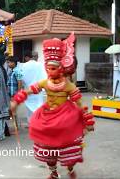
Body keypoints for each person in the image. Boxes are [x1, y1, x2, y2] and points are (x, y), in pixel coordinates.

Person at [11, 33, 95, 179]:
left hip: (66, 119)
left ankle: (70, 168)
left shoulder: (69, 86)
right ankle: (53, 172)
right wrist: (16, 101)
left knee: (67, 148)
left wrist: (87, 122)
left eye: (53, 68)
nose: (50, 71)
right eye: (48, 68)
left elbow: (80, 104)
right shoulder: (45, 83)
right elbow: (29, 90)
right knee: (48, 147)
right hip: (48, 118)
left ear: (61, 69)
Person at [20, 51, 47, 126]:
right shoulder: (40, 65)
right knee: (38, 106)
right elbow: (45, 78)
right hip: (38, 89)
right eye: (37, 56)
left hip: (28, 90)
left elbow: (21, 78)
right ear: (35, 56)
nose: (37, 57)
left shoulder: (24, 65)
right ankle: (38, 122)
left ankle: (31, 123)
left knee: (29, 107)